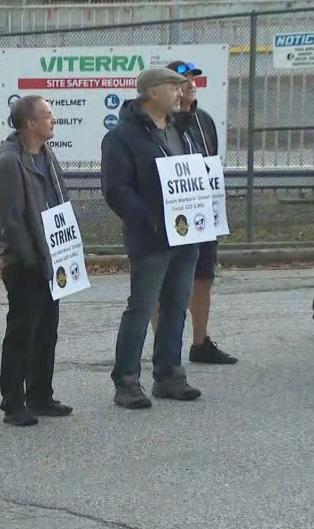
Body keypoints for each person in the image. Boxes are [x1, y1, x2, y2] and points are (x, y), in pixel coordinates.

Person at [101, 67, 203, 410]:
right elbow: (116, 189)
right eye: (173, 87)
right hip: (152, 238)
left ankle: (169, 374)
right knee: (142, 307)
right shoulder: (122, 137)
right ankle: (127, 381)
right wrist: (151, 221)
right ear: (151, 93)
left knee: (176, 305)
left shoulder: (180, 131)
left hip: (187, 235)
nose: (180, 92)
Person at [0, 95, 74, 426]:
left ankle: (41, 395)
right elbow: (10, 219)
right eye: (47, 116)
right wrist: (28, 258)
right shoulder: (10, 162)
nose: (53, 120)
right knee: (23, 331)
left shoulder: (47, 155)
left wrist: (67, 249)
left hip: (53, 257)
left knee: (47, 329)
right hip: (25, 262)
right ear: (29, 124)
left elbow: (60, 199)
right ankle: (13, 402)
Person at [163, 59, 237, 365]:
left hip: (203, 212)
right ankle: (165, 348)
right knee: (166, 281)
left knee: (203, 275)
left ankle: (200, 341)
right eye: (184, 80)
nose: (191, 84)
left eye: (194, 79)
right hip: (174, 214)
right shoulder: (161, 123)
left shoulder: (204, 120)